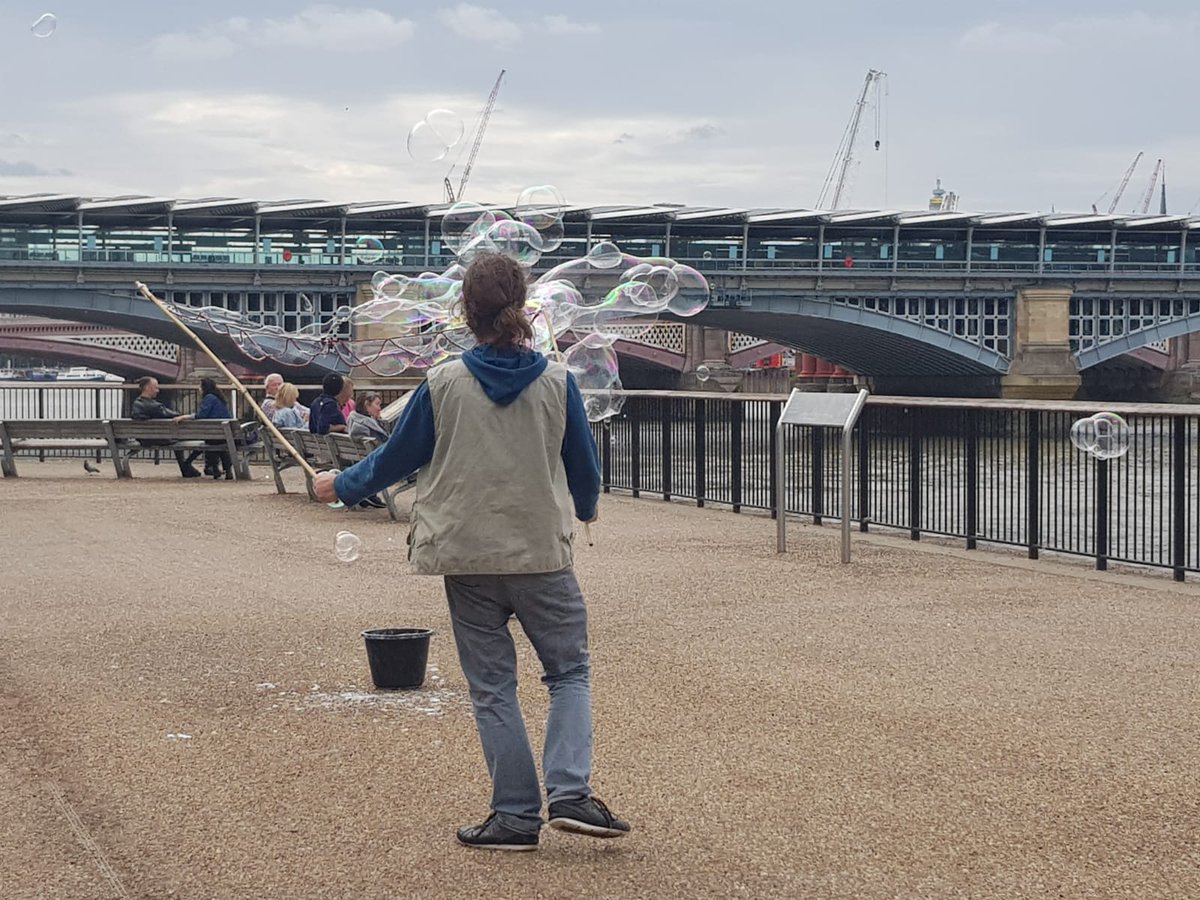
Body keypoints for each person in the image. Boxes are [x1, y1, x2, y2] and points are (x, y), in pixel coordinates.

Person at [314, 253, 627, 851]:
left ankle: (513, 817)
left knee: (492, 689)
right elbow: (585, 474)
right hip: (540, 554)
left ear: (466, 311)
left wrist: (343, 485)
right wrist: (585, 510)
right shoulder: (559, 382)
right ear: (524, 307)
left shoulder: (443, 382)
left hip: (466, 554)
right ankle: (570, 793)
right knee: (569, 673)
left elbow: (397, 458)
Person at [129, 375, 200, 478]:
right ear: (148, 388)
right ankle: (187, 466)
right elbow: (172, 414)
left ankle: (185, 468)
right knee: (200, 437)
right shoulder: (155, 406)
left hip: (144, 439)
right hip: (159, 439)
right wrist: (182, 415)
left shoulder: (136, 404)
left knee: (176, 437)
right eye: (156, 387)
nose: (158, 390)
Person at [178, 378, 233, 479]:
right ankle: (224, 470)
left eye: (200, 386)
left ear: (204, 387)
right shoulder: (219, 398)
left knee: (209, 443)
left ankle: (189, 463)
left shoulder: (209, 398)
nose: (199, 389)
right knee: (218, 446)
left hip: (214, 434)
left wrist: (186, 416)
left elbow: (201, 415)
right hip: (223, 432)